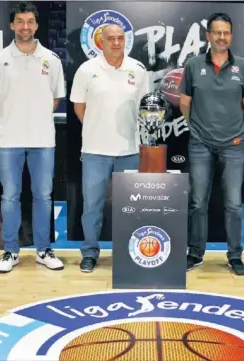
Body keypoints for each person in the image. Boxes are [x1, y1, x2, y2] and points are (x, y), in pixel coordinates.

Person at [0, 1, 65, 273]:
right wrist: (13, 120)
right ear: (12, 25)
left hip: (43, 140)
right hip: (8, 140)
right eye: (20, 21)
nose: (25, 26)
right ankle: (10, 251)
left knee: (43, 196)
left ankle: (43, 250)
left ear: (37, 25)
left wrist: (35, 119)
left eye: (30, 21)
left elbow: (55, 99)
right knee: (10, 196)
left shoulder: (51, 60)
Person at [178, 13, 244, 276]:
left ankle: (235, 256)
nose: (221, 37)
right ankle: (195, 253)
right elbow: (185, 104)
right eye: (217, 32)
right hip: (200, 143)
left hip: (234, 145)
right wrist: (199, 128)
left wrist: (232, 130)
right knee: (198, 202)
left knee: (234, 203)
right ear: (208, 36)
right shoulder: (193, 65)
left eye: (226, 33)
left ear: (231, 36)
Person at [70, 24, 150, 273]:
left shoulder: (138, 70)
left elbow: (145, 109)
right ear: (100, 42)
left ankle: (129, 254)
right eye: (111, 39)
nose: (116, 43)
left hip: (129, 150)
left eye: (120, 38)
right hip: (95, 151)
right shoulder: (86, 70)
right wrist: (98, 127)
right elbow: (79, 108)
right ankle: (90, 253)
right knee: (92, 205)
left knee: (130, 208)